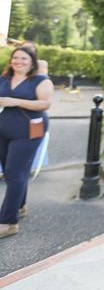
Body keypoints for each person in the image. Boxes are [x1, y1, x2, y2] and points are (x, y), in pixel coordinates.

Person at [0, 46, 54, 238]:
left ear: (32, 62)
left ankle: (8, 222)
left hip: (28, 132)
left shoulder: (40, 81)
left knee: (15, 174)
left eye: (24, 58)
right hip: (3, 131)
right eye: (15, 58)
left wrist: (16, 102)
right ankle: (20, 206)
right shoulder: (4, 78)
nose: (19, 61)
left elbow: (45, 104)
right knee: (10, 172)